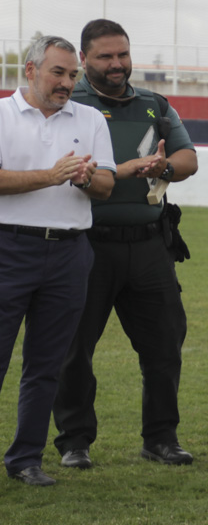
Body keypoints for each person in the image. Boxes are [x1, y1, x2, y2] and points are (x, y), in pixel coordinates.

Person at [52, 19, 199, 470]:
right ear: (83, 60)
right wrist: (129, 168)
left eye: (123, 54)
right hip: (84, 245)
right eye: (104, 57)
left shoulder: (154, 103)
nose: (117, 65)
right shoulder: (68, 105)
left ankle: (161, 438)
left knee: (164, 345)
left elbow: (187, 158)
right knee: (74, 349)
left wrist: (163, 169)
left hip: (149, 246)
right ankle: (74, 441)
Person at [0, 35, 115, 486]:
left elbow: (106, 184)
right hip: (9, 248)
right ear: (30, 70)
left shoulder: (89, 118)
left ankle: (26, 459)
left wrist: (87, 178)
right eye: (58, 72)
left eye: (73, 74)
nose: (68, 81)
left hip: (69, 252)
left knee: (47, 365)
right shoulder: (2, 114)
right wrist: (51, 176)